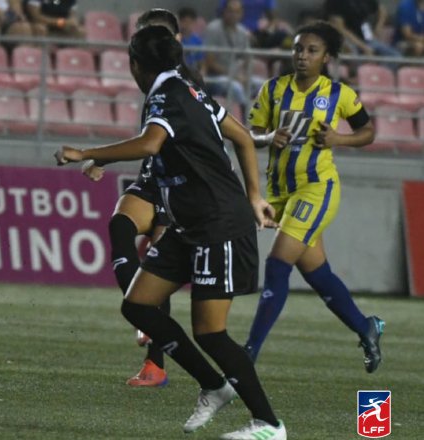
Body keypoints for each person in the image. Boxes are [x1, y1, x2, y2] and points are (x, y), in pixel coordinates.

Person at [55, 25, 287, 440]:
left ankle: (270, 425)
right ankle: (214, 387)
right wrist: (255, 195)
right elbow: (243, 139)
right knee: (138, 305)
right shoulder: (190, 88)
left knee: (211, 332)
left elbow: (150, 144)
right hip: (190, 224)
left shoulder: (165, 95)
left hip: (218, 225)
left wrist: (86, 152)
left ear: (135, 64)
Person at [243, 21, 384, 373]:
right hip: (278, 191)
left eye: (311, 51)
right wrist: (267, 137)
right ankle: (365, 326)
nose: (302, 56)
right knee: (317, 273)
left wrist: (340, 139)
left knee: (277, 265)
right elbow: (251, 133)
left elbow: (367, 131)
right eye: (297, 49)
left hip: (316, 188)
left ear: (327, 58)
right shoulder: (273, 89)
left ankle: (248, 353)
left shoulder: (340, 94)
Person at [82, 8, 181, 389]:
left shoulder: (185, 85)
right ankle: (143, 316)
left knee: (158, 265)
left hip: (180, 187)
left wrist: (95, 154)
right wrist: (103, 159)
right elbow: (150, 141)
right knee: (119, 226)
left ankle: (155, 365)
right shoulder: (153, 82)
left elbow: (158, 141)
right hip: (152, 178)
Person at [202, 0, 266, 109]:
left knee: (264, 85)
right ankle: (245, 119)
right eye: (230, 11)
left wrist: (245, 76)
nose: (233, 15)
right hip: (217, 78)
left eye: (237, 12)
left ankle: (264, 117)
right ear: (224, 12)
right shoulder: (213, 28)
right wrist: (235, 76)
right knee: (236, 88)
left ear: (241, 14)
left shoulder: (242, 31)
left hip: (237, 76)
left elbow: (247, 58)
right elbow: (210, 62)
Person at [324, 0, 402, 58]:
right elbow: (339, 27)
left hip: (367, 38)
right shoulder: (335, 2)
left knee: (396, 56)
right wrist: (363, 47)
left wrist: (379, 27)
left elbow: (381, 9)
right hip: (346, 41)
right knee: (353, 54)